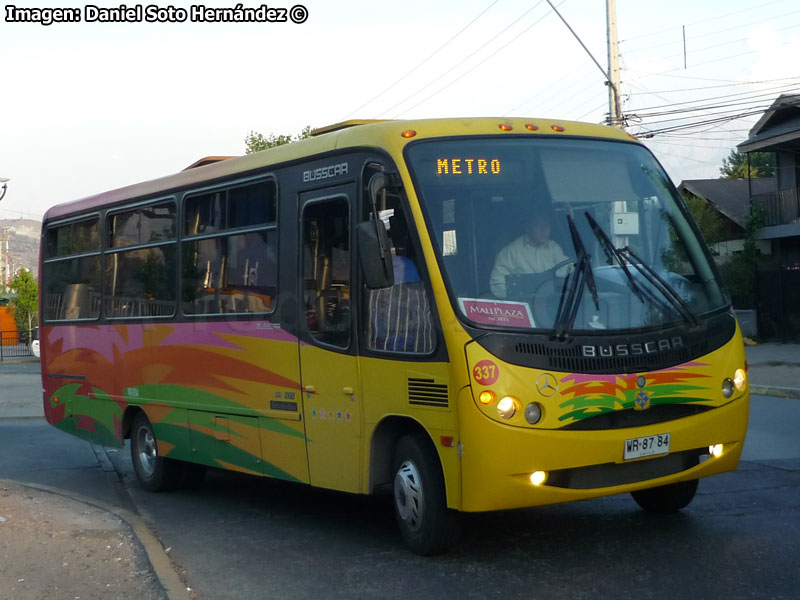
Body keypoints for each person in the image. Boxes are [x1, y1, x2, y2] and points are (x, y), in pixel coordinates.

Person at [489, 213, 570, 297]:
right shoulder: (511, 251)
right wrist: (515, 299)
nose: (543, 229)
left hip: (553, 305)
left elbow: (567, 270)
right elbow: (497, 283)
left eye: (547, 225)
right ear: (528, 227)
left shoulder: (554, 248)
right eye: (538, 225)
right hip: (523, 306)